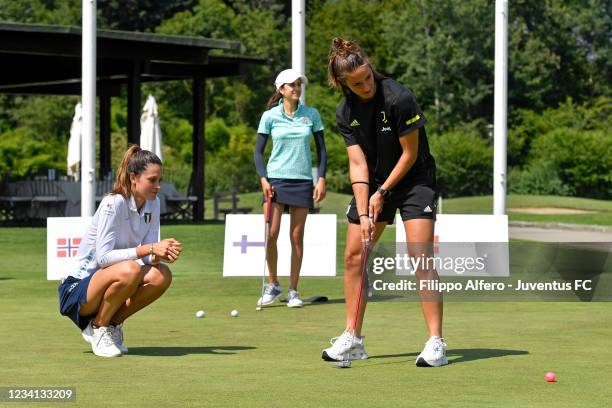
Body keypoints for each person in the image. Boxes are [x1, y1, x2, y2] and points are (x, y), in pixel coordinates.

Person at [321, 38, 447, 367]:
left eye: (367, 77)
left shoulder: (399, 97)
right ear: (342, 83)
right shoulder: (345, 112)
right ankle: (353, 338)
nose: (366, 85)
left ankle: (436, 342)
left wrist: (383, 192)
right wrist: (364, 212)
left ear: (370, 66)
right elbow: (358, 165)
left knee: (420, 256)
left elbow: (410, 154)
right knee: (353, 256)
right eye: (357, 82)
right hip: (374, 181)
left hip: (414, 180)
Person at [58, 146, 182, 357]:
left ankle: (112, 324)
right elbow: (104, 258)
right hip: (77, 290)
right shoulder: (113, 203)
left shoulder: (154, 203)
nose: (158, 186)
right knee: (130, 270)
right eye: (152, 180)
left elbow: (147, 255)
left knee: (161, 275)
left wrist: (158, 255)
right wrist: (150, 249)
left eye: (159, 180)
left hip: (114, 279)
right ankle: (98, 327)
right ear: (134, 177)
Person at [254, 68, 327, 308]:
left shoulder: (311, 114)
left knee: (296, 236)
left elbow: (322, 150)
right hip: (275, 180)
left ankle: (294, 291)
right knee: (271, 234)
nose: (296, 88)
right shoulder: (270, 117)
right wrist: (264, 179)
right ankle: (274, 285)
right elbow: (258, 152)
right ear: (281, 89)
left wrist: (322, 178)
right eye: (291, 85)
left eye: (299, 84)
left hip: (302, 180)